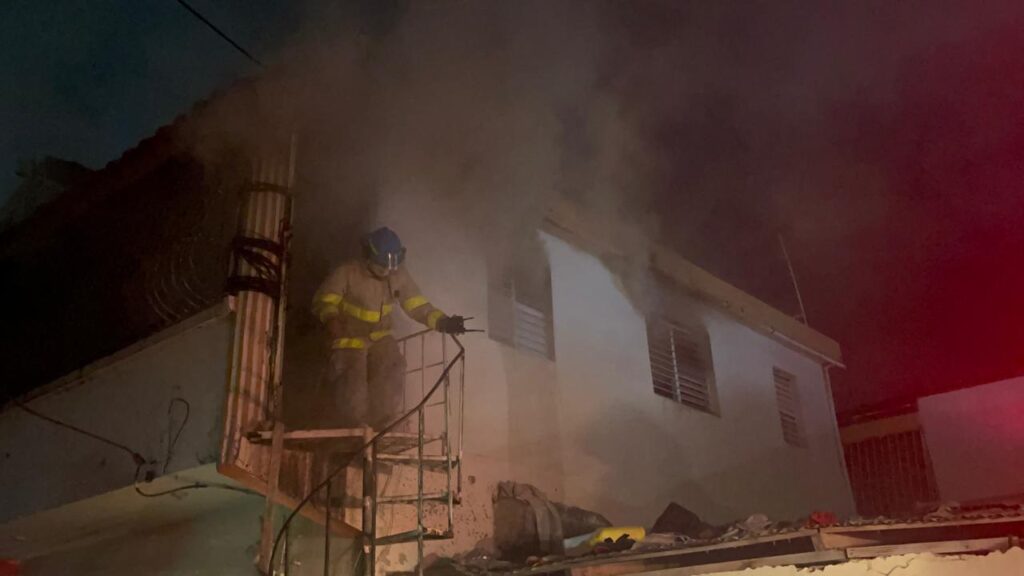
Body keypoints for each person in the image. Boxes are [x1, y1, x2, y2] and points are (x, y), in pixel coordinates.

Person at [311, 226, 465, 429]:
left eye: (391, 265)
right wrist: (331, 318)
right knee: (353, 379)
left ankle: (382, 423)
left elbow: (417, 305)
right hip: (349, 337)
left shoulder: (397, 275)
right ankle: (353, 424)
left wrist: (443, 322)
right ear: (368, 255)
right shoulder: (347, 273)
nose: (387, 270)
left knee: (392, 365)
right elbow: (324, 299)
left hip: (380, 337)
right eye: (382, 264)